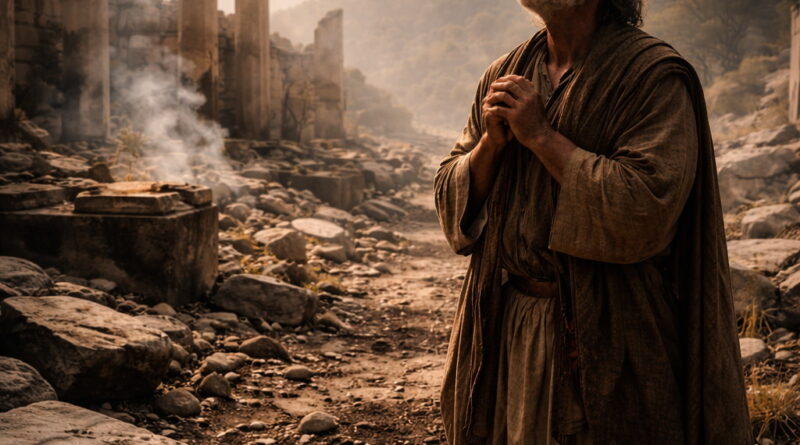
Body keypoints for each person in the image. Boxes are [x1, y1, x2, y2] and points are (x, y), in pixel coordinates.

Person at [433, 0, 754, 444]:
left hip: (612, 330)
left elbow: (645, 205)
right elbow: (450, 188)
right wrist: (491, 143)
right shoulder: (505, 73)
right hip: (505, 326)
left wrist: (541, 136)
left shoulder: (652, 77)